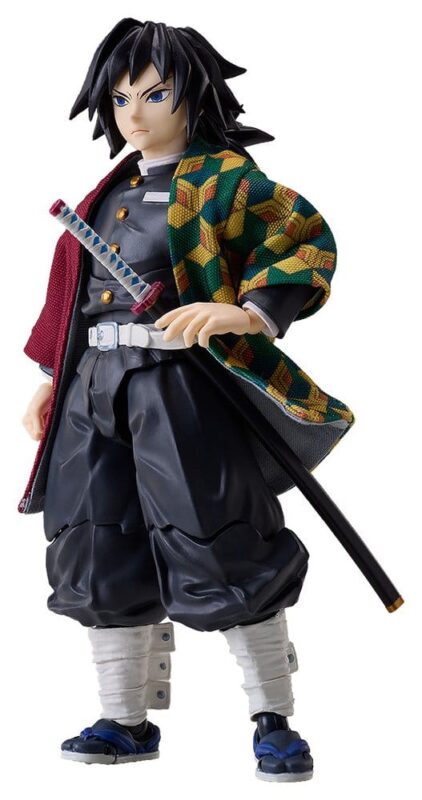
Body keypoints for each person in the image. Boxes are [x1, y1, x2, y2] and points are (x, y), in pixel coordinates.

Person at [20, 18, 354, 781]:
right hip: (93, 390)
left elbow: (301, 238)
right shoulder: (106, 195)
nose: (133, 114)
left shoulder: (224, 184)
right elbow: (76, 297)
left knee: (220, 537)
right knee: (94, 540)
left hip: (179, 387)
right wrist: (52, 377)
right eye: (120, 97)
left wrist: (248, 312)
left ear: (191, 96)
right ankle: (124, 718)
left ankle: (273, 719)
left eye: (154, 94)